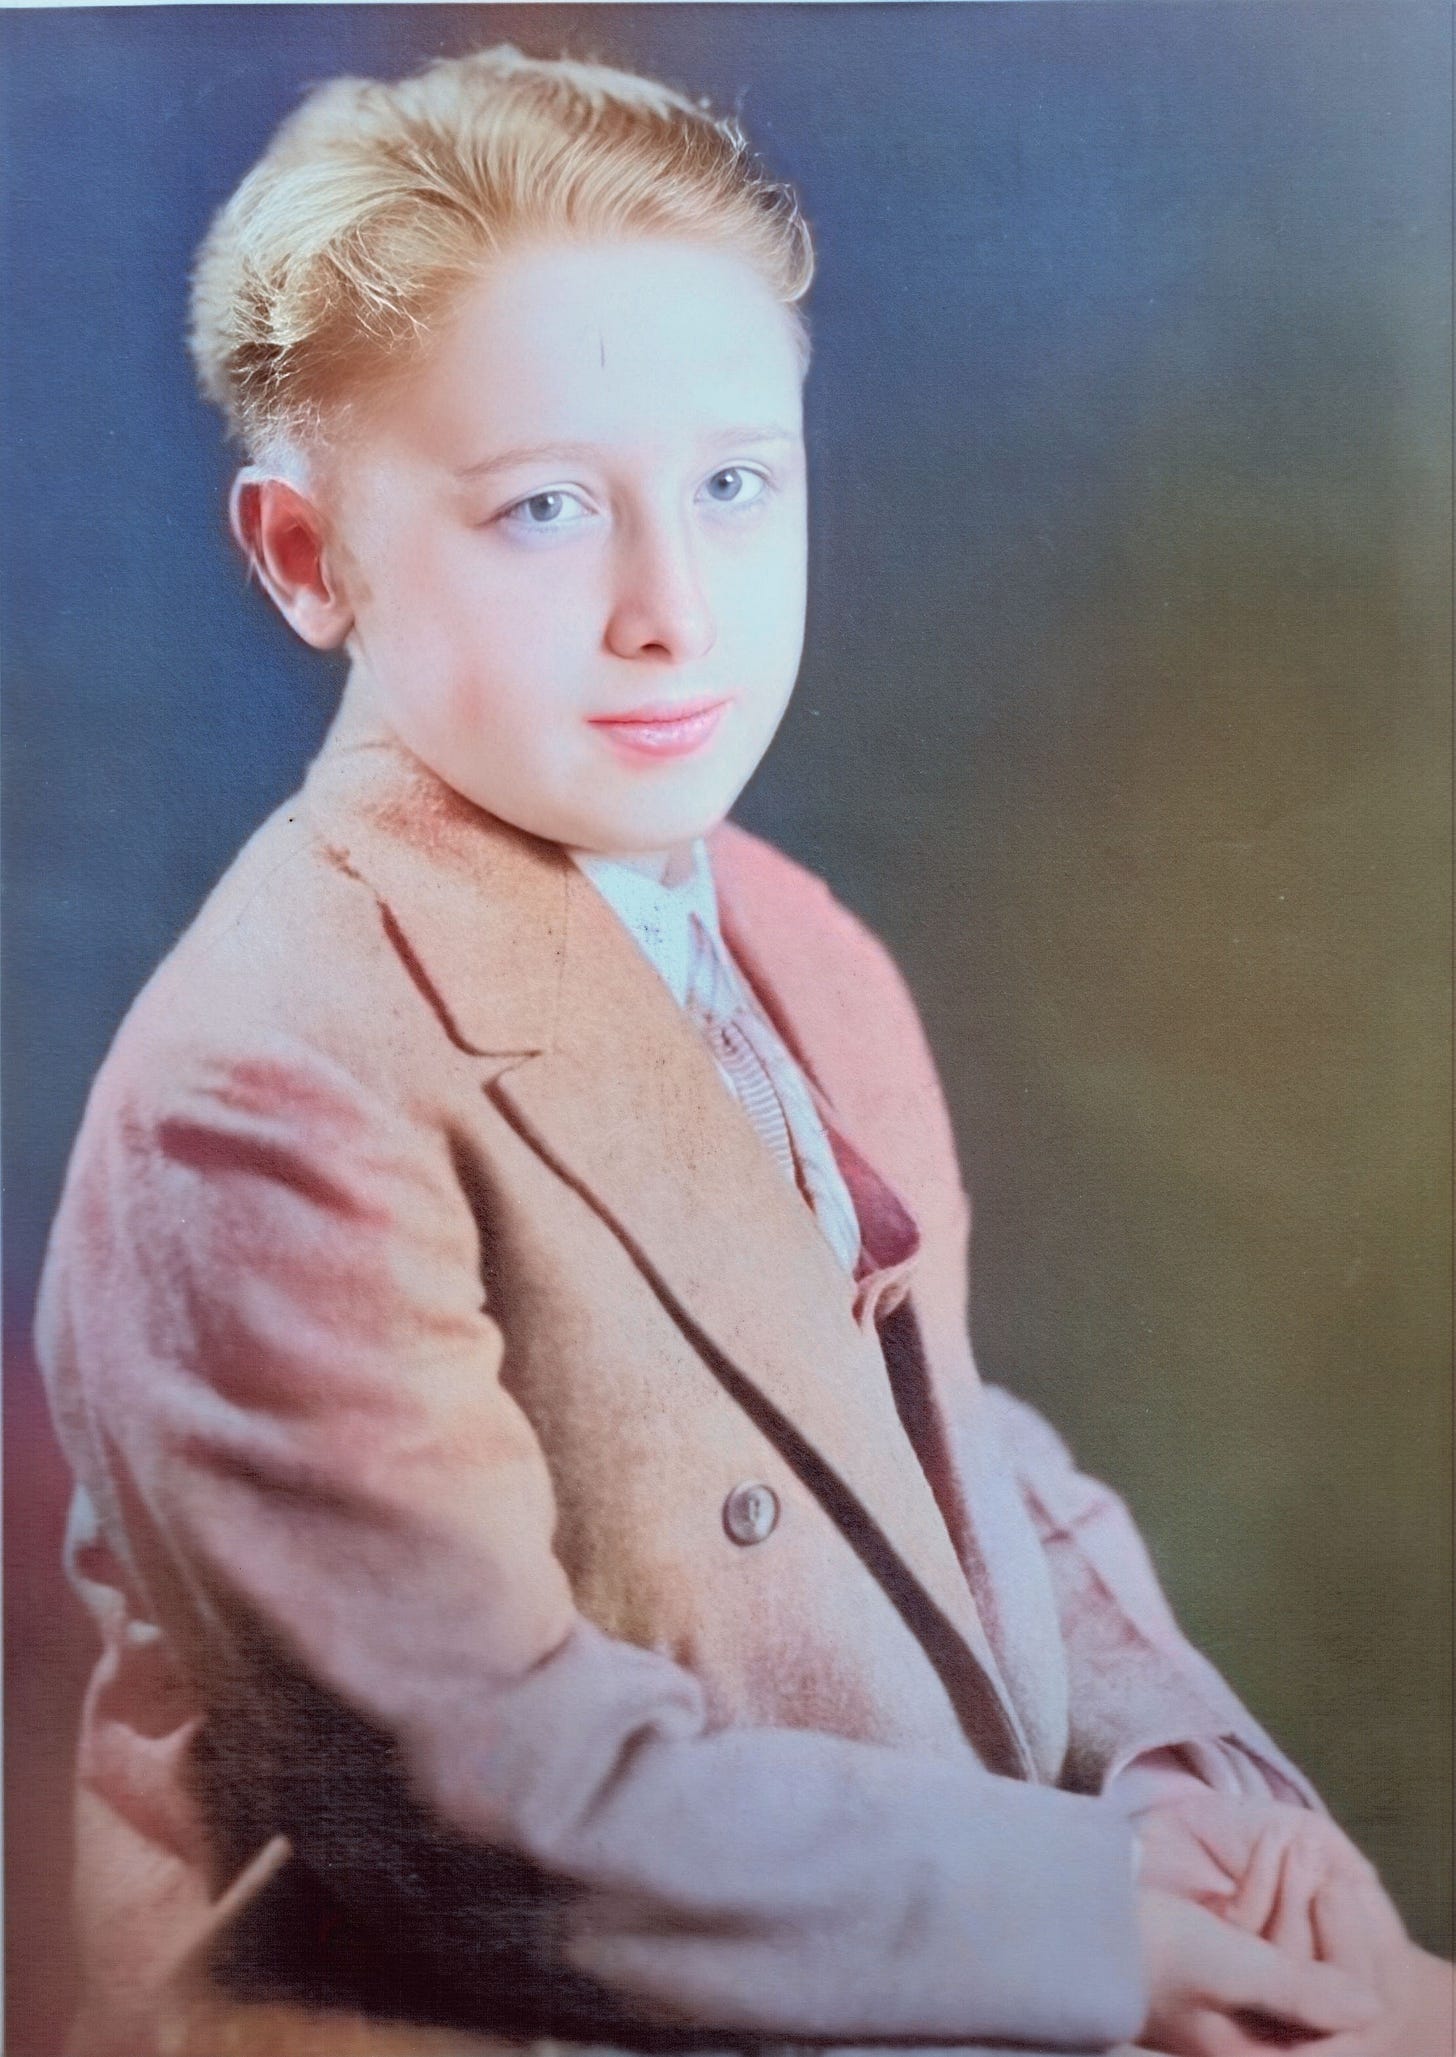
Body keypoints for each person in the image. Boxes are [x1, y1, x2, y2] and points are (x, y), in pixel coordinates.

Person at [33, 44, 1450, 2057]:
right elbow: (489, 1798)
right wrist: (1090, 1925)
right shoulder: (269, 1084)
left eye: (732, 485)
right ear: (304, 555)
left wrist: (1185, 1786)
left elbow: (936, 1451)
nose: (673, 610)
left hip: (885, 1954)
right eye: (543, 509)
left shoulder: (786, 937)